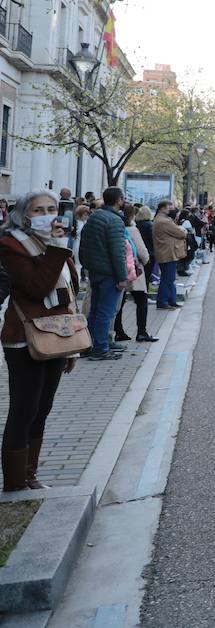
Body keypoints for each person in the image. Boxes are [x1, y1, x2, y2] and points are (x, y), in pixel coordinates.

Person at [0, 190, 79, 490]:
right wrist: (58, 248)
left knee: (42, 408)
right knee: (24, 408)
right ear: (23, 215)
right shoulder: (11, 245)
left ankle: (31, 476)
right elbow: (36, 287)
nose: (46, 215)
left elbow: (67, 291)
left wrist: (70, 344)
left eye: (51, 209)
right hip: (25, 339)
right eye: (38, 210)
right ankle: (15, 483)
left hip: (56, 334)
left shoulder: (49, 244)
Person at [78, 186, 129, 360]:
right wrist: (122, 277)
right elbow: (117, 252)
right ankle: (100, 347)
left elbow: (84, 244)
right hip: (109, 273)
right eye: (122, 199)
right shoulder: (114, 221)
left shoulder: (94, 217)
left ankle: (91, 343)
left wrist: (87, 266)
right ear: (118, 200)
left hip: (95, 271)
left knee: (95, 310)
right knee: (105, 312)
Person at [115, 204, 155, 343]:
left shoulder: (116, 227)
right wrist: (146, 261)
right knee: (141, 300)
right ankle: (141, 332)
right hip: (134, 271)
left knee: (119, 301)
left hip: (117, 269)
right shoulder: (132, 229)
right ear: (132, 215)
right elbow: (142, 252)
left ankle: (118, 330)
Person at [152, 200, 186, 309]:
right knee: (167, 279)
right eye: (169, 207)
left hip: (165, 252)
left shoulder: (160, 219)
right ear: (163, 208)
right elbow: (181, 233)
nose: (171, 209)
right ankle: (163, 301)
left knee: (170, 278)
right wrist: (182, 230)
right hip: (167, 253)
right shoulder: (164, 221)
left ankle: (171, 300)